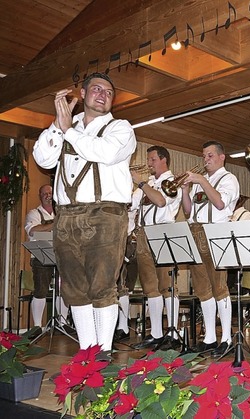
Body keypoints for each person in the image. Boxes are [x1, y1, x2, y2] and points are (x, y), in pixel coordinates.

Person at [32, 72, 136, 351]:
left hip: (105, 215)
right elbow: (43, 157)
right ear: (82, 94)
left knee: (102, 286)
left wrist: (68, 131)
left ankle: (102, 352)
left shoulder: (121, 128)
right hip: (65, 216)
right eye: (96, 89)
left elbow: (104, 152)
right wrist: (57, 124)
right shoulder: (67, 125)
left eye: (109, 92)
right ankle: (86, 353)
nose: (103, 95)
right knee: (74, 289)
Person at [181, 141, 239, 356]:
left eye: (210, 155)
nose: (206, 159)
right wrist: (186, 191)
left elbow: (220, 204)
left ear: (222, 157)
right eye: (204, 155)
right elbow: (188, 211)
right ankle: (210, 338)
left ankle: (226, 338)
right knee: (203, 290)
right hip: (196, 232)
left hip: (216, 234)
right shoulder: (198, 183)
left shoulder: (228, 179)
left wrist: (202, 180)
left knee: (219, 287)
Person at [131, 146, 182, 350]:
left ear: (164, 160)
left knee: (167, 285)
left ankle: (173, 332)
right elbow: (131, 205)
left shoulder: (172, 182)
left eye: (152, 159)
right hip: (144, 233)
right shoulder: (149, 184)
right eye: (149, 159)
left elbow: (160, 201)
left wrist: (141, 183)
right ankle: (156, 334)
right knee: (150, 287)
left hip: (163, 232)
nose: (149, 163)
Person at [24, 185, 69, 333]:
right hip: (41, 256)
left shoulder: (61, 213)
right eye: (44, 193)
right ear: (40, 196)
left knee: (64, 290)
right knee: (41, 290)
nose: (47, 195)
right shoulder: (34, 213)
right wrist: (55, 224)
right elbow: (32, 230)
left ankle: (62, 323)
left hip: (62, 256)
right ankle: (37, 326)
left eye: (50, 193)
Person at [114, 200, 139, 342]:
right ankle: (121, 325)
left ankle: (123, 327)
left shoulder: (133, 196)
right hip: (118, 239)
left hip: (128, 239)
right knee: (120, 286)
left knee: (121, 286)